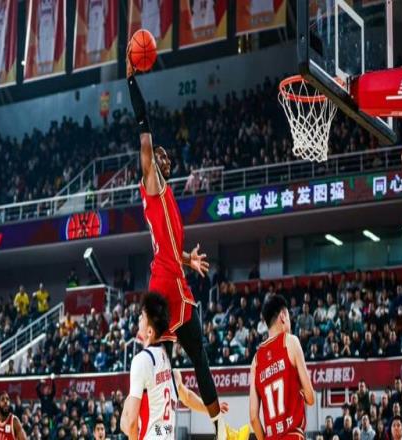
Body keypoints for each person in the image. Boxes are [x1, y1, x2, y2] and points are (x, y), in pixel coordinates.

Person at [126, 49, 237, 439]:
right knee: (163, 361)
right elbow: (145, 129)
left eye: (166, 157)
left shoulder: (168, 197)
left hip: (173, 277)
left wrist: (188, 259)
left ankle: (219, 428)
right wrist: (131, 81)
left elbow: (168, 245)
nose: (163, 157)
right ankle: (147, 423)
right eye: (158, 155)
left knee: (189, 359)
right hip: (164, 285)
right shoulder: (151, 183)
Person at [120, 292, 246, 440]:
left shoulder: (141, 360)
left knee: (126, 413)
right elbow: (186, 397)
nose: (139, 320)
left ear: (149, 331)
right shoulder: (170, 367)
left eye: (142, 317)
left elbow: (131, 424)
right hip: (165, 434)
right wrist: (211, 410)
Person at [249, 294, 315, 440]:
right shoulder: (290, 341)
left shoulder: (255, 361)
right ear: (283, 316)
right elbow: (310, 398)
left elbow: (253, 417)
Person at [37, 0, 55, 74]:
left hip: (50, 33)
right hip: (42, 33)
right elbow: (37, 20)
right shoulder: (39, 5)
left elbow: (55, 16)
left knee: (50, 55)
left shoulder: (53, 3)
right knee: (43, 56)